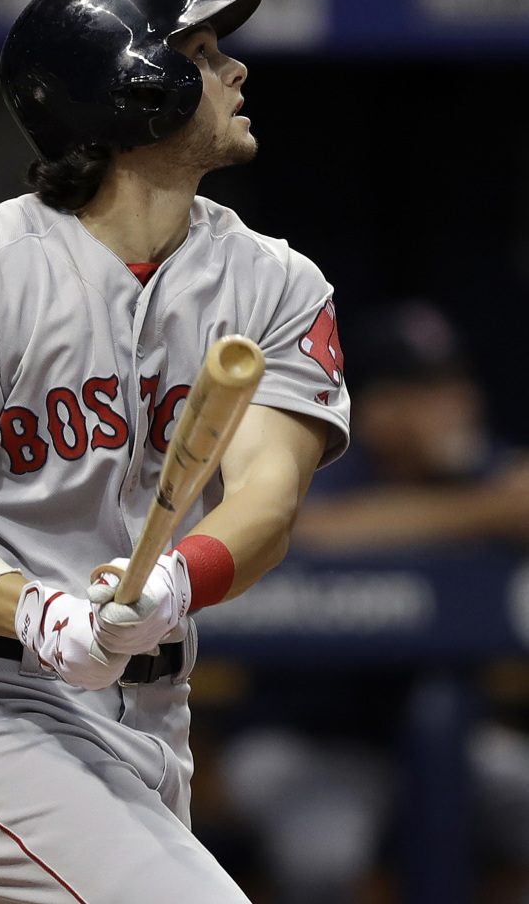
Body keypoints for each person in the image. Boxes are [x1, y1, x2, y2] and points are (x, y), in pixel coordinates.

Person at [0, 0, 350, 904]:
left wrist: (177, 580)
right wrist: (33, 609)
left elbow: (269, 500)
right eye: (198, 51)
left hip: (155, 716)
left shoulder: (274, 281)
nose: (233, 70)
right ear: (135, 89)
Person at [219, 299, 529, 904]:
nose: (450, 405)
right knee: (323, 859)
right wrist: (482, 512)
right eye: (420, 390)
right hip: (303, 737)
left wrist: (467, 497)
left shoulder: (475, 469)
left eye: (454, 384)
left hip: (447, 735)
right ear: (376, 408)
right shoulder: (328, 458)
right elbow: (309, 526)